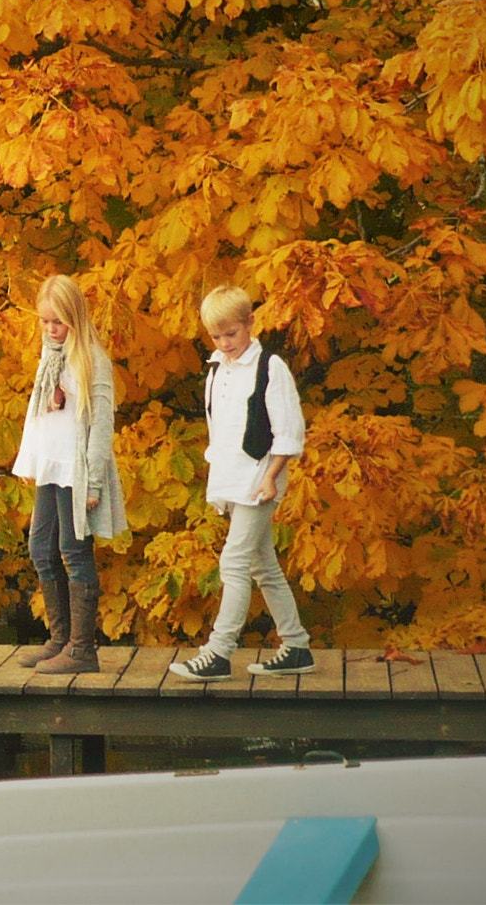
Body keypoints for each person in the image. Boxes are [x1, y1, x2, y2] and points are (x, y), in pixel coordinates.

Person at [170, 285, 315, 680]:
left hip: (259, 479)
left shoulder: (270, 367)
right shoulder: (216, 368)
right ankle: (297, 645)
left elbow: (288, 430)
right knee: (261, 564)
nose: (224, 343)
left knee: (233, 561)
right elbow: (222, 429)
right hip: (232, 478)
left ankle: (218, 652)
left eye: (231, 334)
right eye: (216, 337)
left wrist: (270, 477)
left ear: (250, 323)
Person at [10, 274, 127, 675]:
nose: (51, 329)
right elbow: (39, 416)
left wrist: (93, 482)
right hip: (51, 466)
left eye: (58, 322)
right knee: (41, 547)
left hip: (76, 471)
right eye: (44, 322)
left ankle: (82, 649)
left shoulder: (92, 361)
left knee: (73, 550)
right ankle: (59, 638)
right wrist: (31, 461)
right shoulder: (50, 357)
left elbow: (101, 425)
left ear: (75, 318)